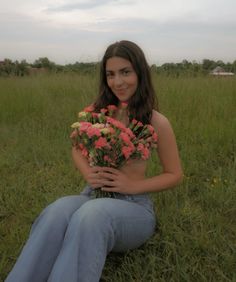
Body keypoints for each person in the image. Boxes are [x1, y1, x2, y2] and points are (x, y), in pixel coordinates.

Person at [6, 40, 182, 282]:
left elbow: (174, 174)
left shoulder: (156, 122)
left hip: (134, 208)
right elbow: (77, 149)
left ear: (140, 71)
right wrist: (88, 173)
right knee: (56, 211)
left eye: (125, 72)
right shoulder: (98, 114)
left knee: (92, 216)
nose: (118, 82)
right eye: (111, 74)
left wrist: (132, 186)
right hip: (91, 196)